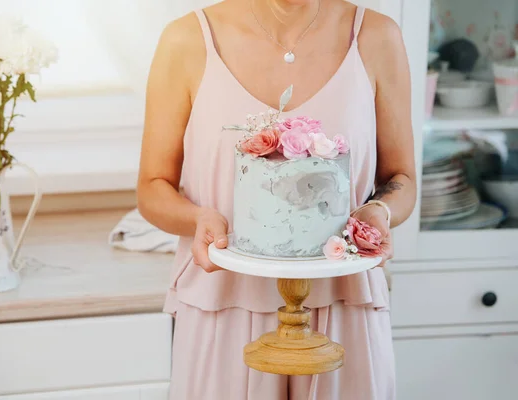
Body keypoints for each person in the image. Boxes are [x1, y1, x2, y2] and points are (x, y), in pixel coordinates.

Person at [137, 0, 416, 398]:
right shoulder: (187, 39)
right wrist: (198, 219)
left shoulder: (377, 37)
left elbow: (401, 178)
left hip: (342, 302)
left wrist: (380, 211)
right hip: (224, 300)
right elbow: (152, 186)